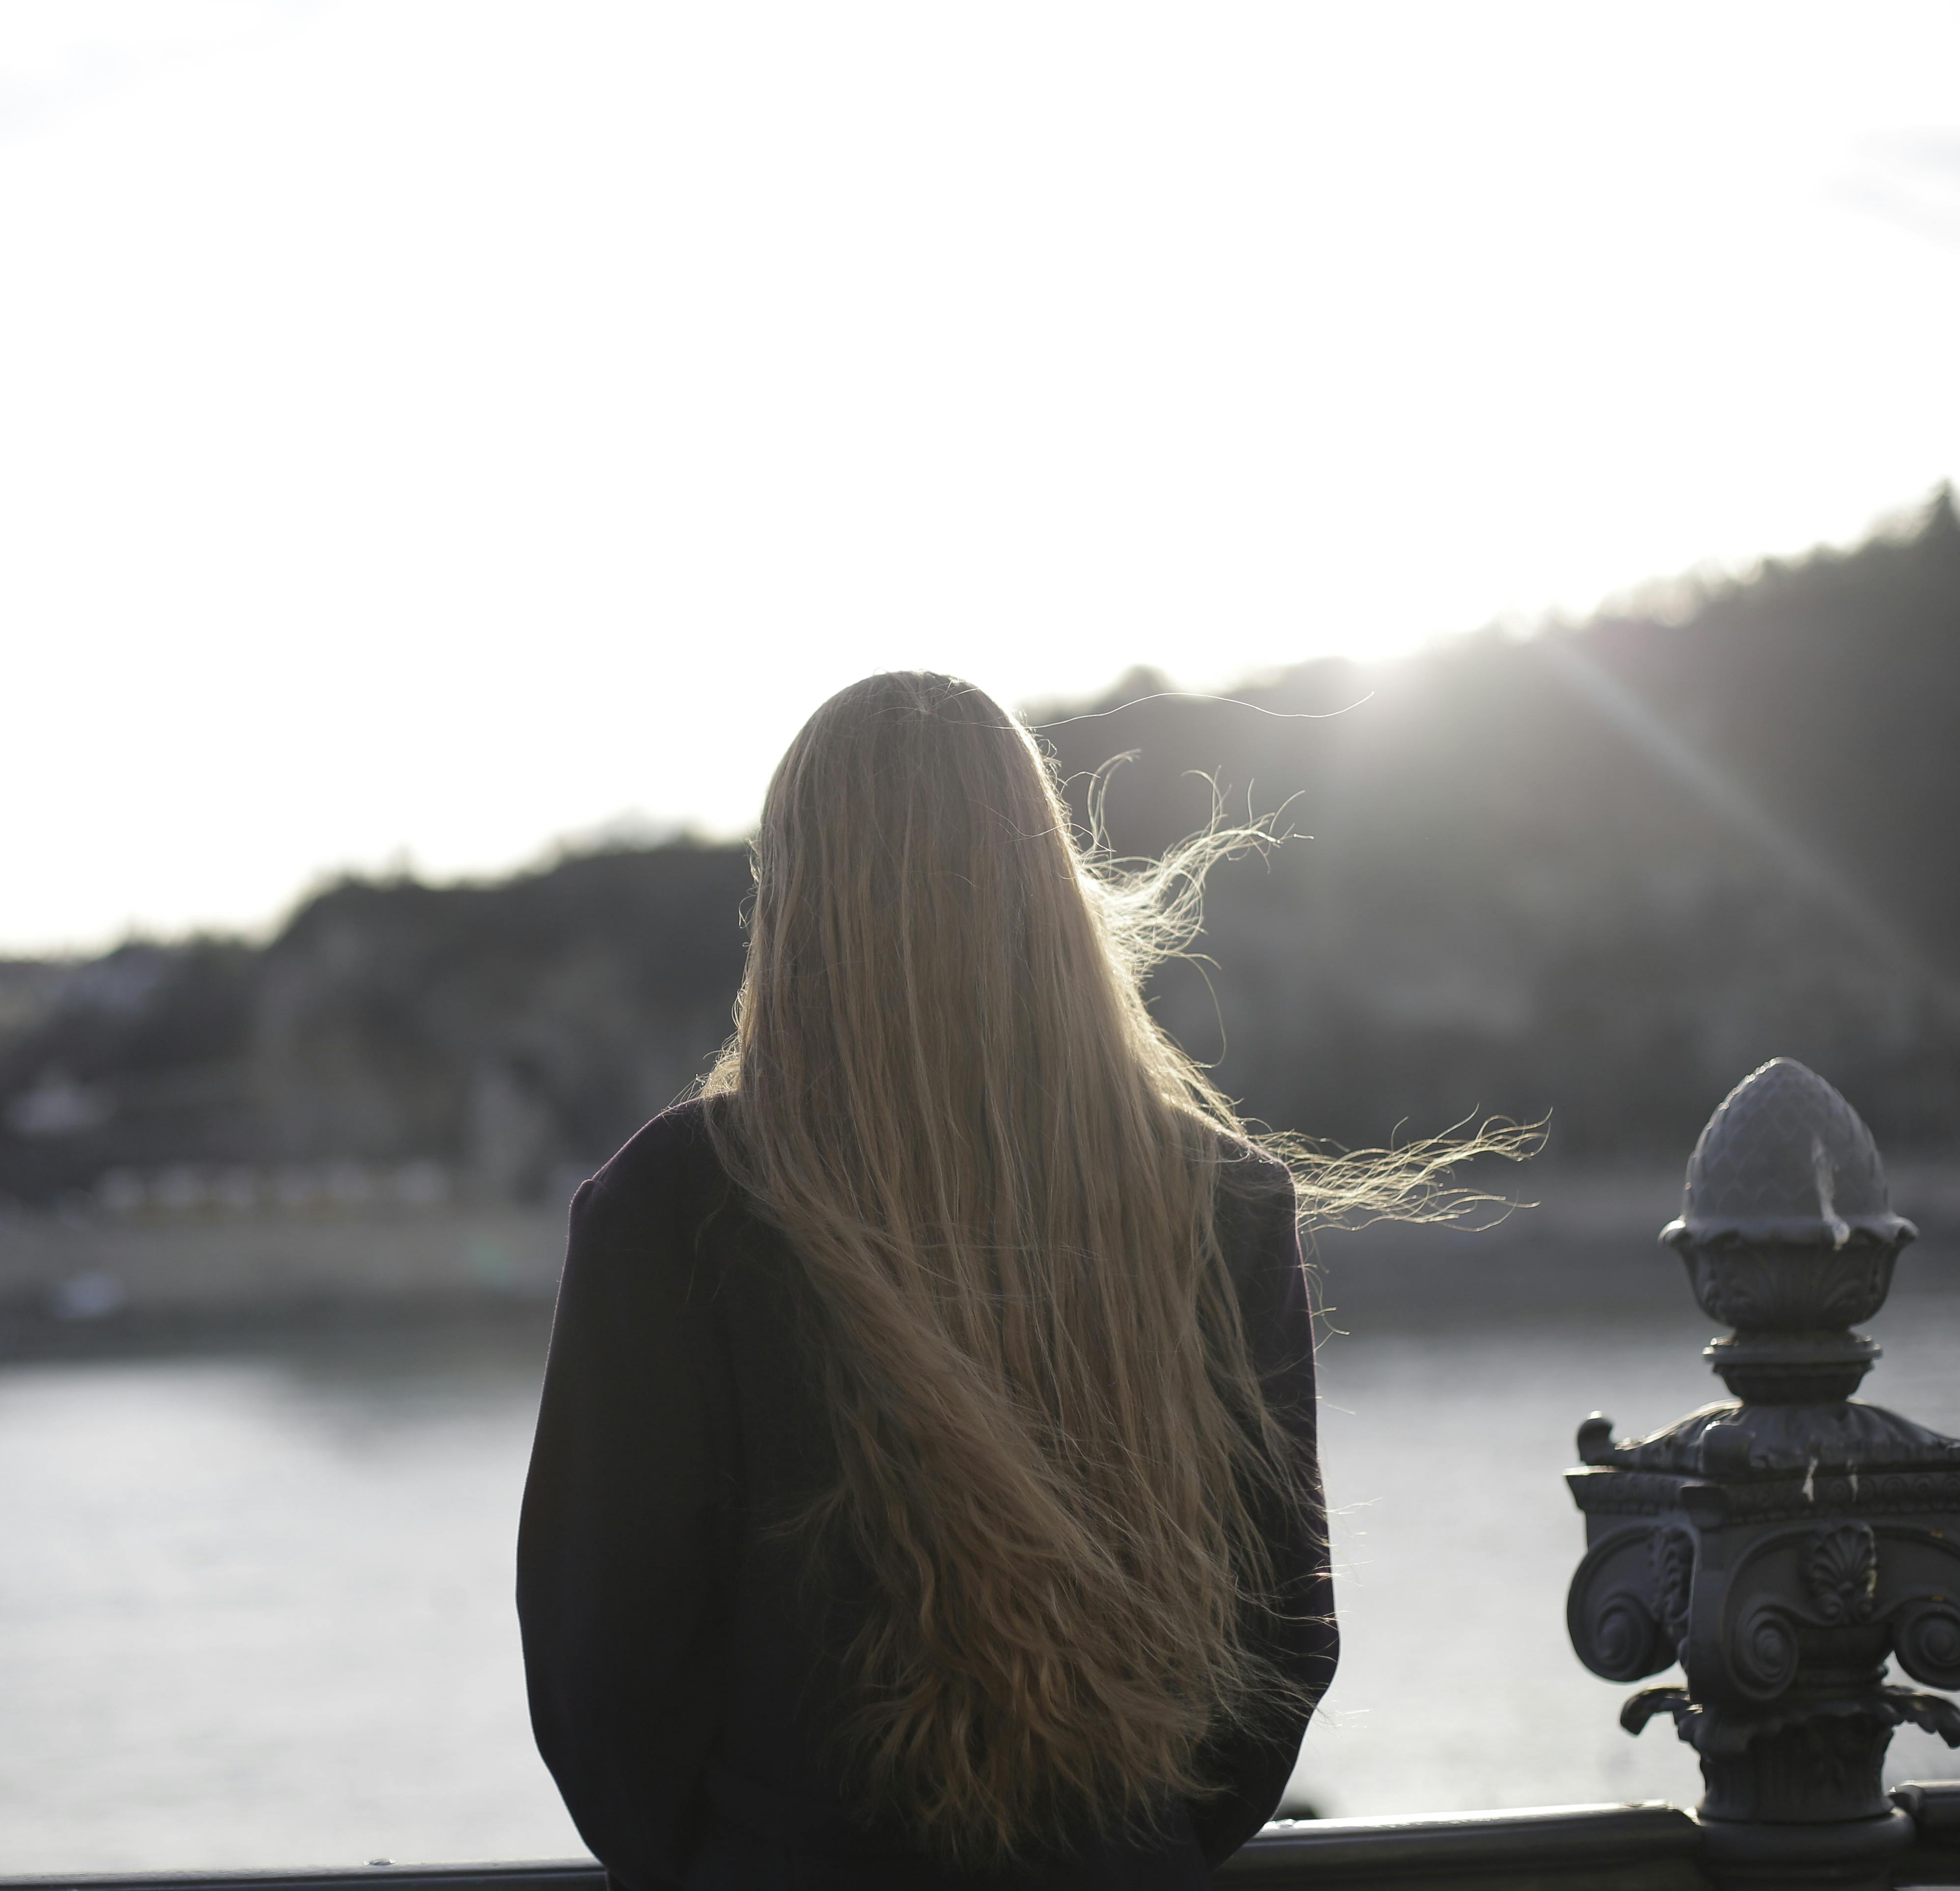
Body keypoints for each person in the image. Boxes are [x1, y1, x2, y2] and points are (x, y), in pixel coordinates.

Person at [519, 672, 1384, 1889]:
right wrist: (1142, 1847)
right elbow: (1282, 1640)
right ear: (1048, 883)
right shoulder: (1218, 1198)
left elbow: (602, 1671)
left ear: (795, 892)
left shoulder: (676, 1205)